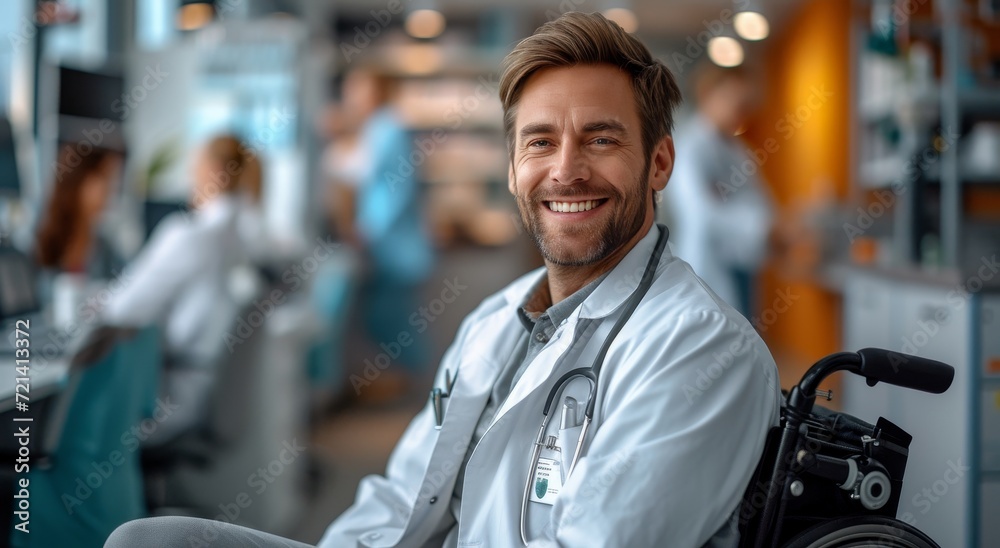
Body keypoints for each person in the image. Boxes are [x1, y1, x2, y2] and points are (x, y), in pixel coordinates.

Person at [106, 12, 779, 547]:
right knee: (147, 539)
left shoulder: (703, 350)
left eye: (602, 139)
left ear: (660, 163)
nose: (565, 170)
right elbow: (402, 496)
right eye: (539, 142)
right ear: (514, 170)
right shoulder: (494, 318)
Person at [101, 134, 260, 445]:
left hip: (169, 393)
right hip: (202, 387)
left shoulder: (190, 235)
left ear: (213, 170)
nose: (190, 178)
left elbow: (120, 310)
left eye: (194, 168)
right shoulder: (240, 235)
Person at [327, 67, 434, 400]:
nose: (351, 98)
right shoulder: (376, 129)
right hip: (387, 249)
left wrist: (367, 229)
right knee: (385, 320)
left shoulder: (390, 129)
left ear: (376, 91)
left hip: (397, 250)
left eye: (357, 89)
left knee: (391, 321)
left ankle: (425, 391)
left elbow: (396, 189)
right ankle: (418, 389)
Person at [660, 63, 774, 316]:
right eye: (733, 101)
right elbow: (702, 213)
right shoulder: (691, 147)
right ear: (708, 95)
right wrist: (764, 226)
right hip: (708, 265)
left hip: (742, 262)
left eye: (744, 105)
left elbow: (760, 202)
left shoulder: (739, 151)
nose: (739, 111)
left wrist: (770, 224)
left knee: (744, 339)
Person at [35, 144, 124, 278]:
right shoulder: (35, 244)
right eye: (106, 178)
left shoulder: (106, 249)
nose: (110, 191)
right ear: (81, 180)